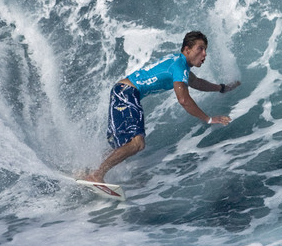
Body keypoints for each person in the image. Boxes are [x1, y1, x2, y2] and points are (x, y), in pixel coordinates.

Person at [84, 30, 240, 183]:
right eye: (200, 49)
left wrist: (221, 88)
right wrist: (209, 119)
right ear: (187, 50)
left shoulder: (178, 63)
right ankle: (97, 174)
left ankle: (89, 170)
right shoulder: (179, 66)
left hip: (122, 91)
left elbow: (197, 82)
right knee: (137, 143)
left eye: (205, 49)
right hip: (128, 93)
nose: (204, 54)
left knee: (126, 144)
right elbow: (184, 100)